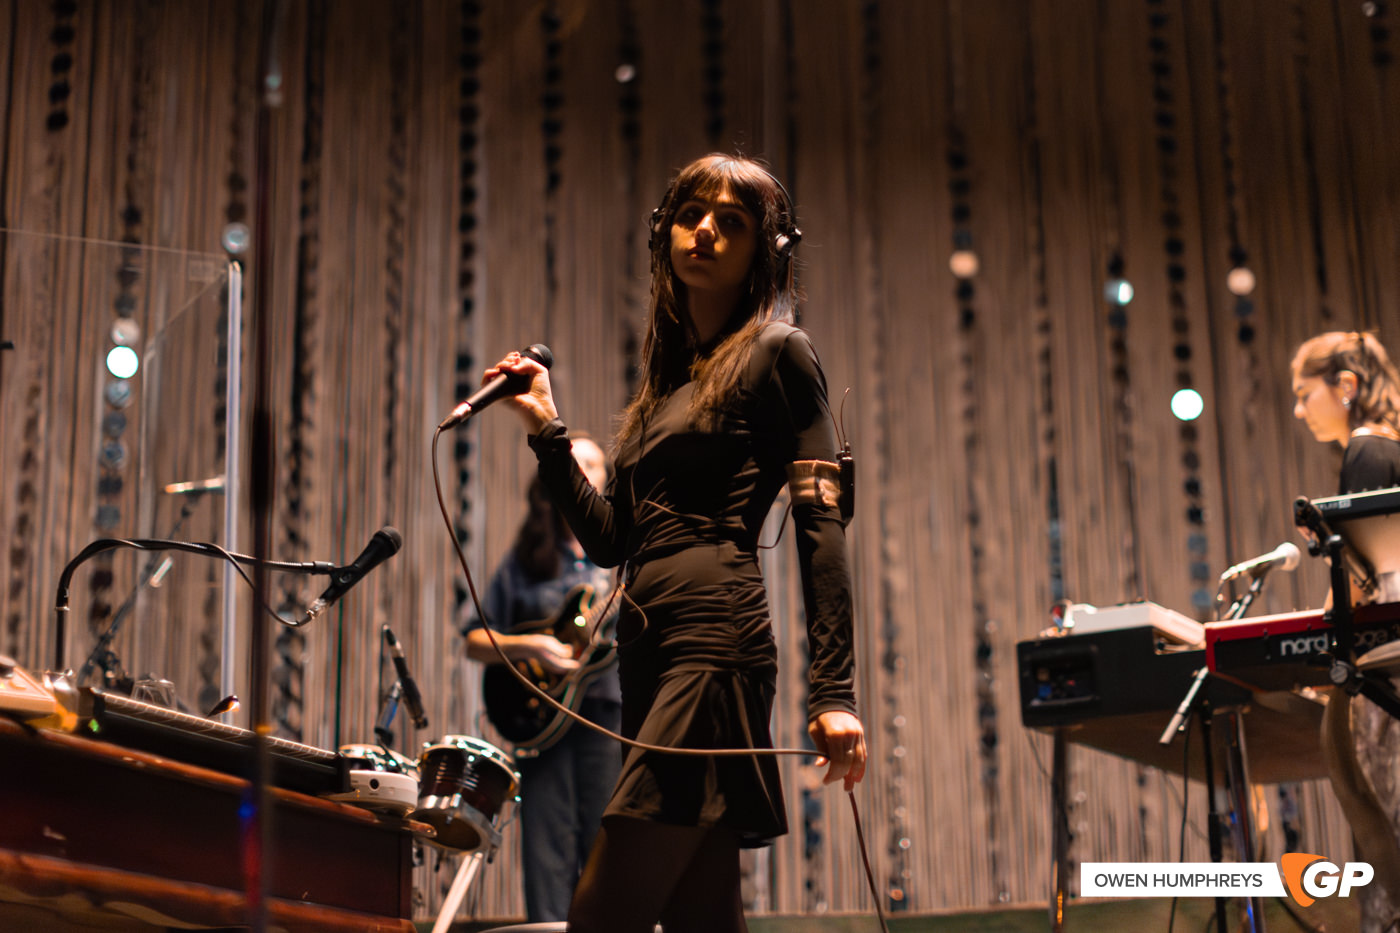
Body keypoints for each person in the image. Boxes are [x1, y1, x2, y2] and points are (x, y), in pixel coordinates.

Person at [481, 153, 867, 933]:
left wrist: (833, 691)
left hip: (713, 643)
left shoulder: (779, 351)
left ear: (764, 249)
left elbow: (822, 529)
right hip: (646, 657)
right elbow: (611, 538)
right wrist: (548, 430)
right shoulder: (664, 387)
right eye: (693, 214)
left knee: (601, 916)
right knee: (701, 915)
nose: (707, 231)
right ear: (666, 234)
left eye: (733, 222)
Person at [462, 434, 622, 923]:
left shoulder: (620, 555)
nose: (583, 470)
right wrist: (530, 646)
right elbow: (474, 639)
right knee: (545, 845)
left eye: (593, 464)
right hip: (538, 716)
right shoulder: (526, 559)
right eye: (574, 462)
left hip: (603, 716)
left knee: (606, 841)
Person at [1291, 330, 1400, 930]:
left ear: (1347, 385)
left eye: (1305, 393)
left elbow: (1363, 581)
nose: (1300, 410)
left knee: (1385, 837)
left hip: (1387, 662)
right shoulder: (1391, 447)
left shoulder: (1367, 449)